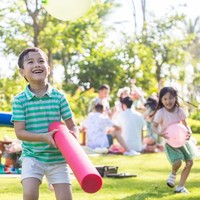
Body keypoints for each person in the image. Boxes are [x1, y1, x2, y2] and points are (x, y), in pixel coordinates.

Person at [11, 47, 79, 200]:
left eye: (41, 61)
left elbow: (72, 125)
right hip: (33, 156)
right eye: (31, 62)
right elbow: (19, 132)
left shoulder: (59, 97)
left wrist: (74, 137)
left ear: (48, 69)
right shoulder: (20, 100)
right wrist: (44, 137)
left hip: (58, 158)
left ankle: (53, 182)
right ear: (22, 72)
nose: (37, 64)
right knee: (29, 193)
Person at [152, 86, 198, 194]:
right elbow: (154, 126)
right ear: (161, 100)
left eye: (171, 98)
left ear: (175, 98)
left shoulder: (179, 111)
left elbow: (186, 124)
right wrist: (159, 133)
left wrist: (189, 131)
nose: (168, 101)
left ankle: (180, 187)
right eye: (165, 99)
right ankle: (173, 174)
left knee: (190, 162)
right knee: (177, 162)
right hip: (170, 142)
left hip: (181, 141)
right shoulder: (161, 113)